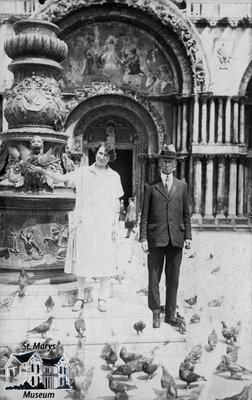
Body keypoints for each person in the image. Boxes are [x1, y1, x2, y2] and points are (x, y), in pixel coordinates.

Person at [30, 143, 123, 312]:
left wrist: (115, 224)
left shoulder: (114, 176)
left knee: (104, 261)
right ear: (96, 152)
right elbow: (61, 179)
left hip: (104, 224)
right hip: (85, 223)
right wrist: (42, 171)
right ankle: (80, 297)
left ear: (111, 158)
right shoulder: (82, 172)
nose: (102, 157)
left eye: (106, 155)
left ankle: (102, 298)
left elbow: (116, 202)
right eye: (100, 153)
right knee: (82, 261)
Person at [139, 144, 192, 328]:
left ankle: (170, 314)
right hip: (155, 238)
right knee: (154, 277)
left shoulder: (182, 186)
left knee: (173, 278)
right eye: (164, 161)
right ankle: (155, 312)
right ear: (159, 163)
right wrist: (143, 238)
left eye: (170, 162)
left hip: (176, 238)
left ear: (175, 165)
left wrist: (189, 236)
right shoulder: (150, 186)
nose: (167, 165)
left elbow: (186, 213)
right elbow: (144, 214)